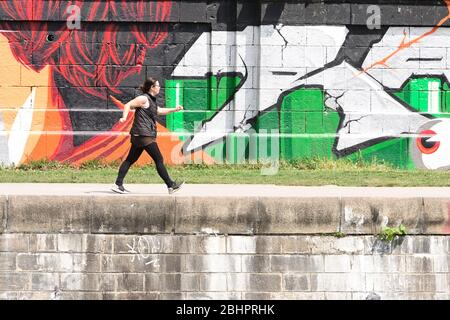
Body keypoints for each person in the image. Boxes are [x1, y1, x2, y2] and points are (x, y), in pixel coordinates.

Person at [112, 77, 184, 194]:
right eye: (158, 85)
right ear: (152, 87)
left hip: (140, 134)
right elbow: (127, 105)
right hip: (144, 135)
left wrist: (175, 109)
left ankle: (118, 184)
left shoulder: (151, 100)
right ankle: (171, 185)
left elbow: (159, 111)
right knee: (159, 159)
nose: (159, 87)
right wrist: (124, 117)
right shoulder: (143, 98)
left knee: (130, 159)